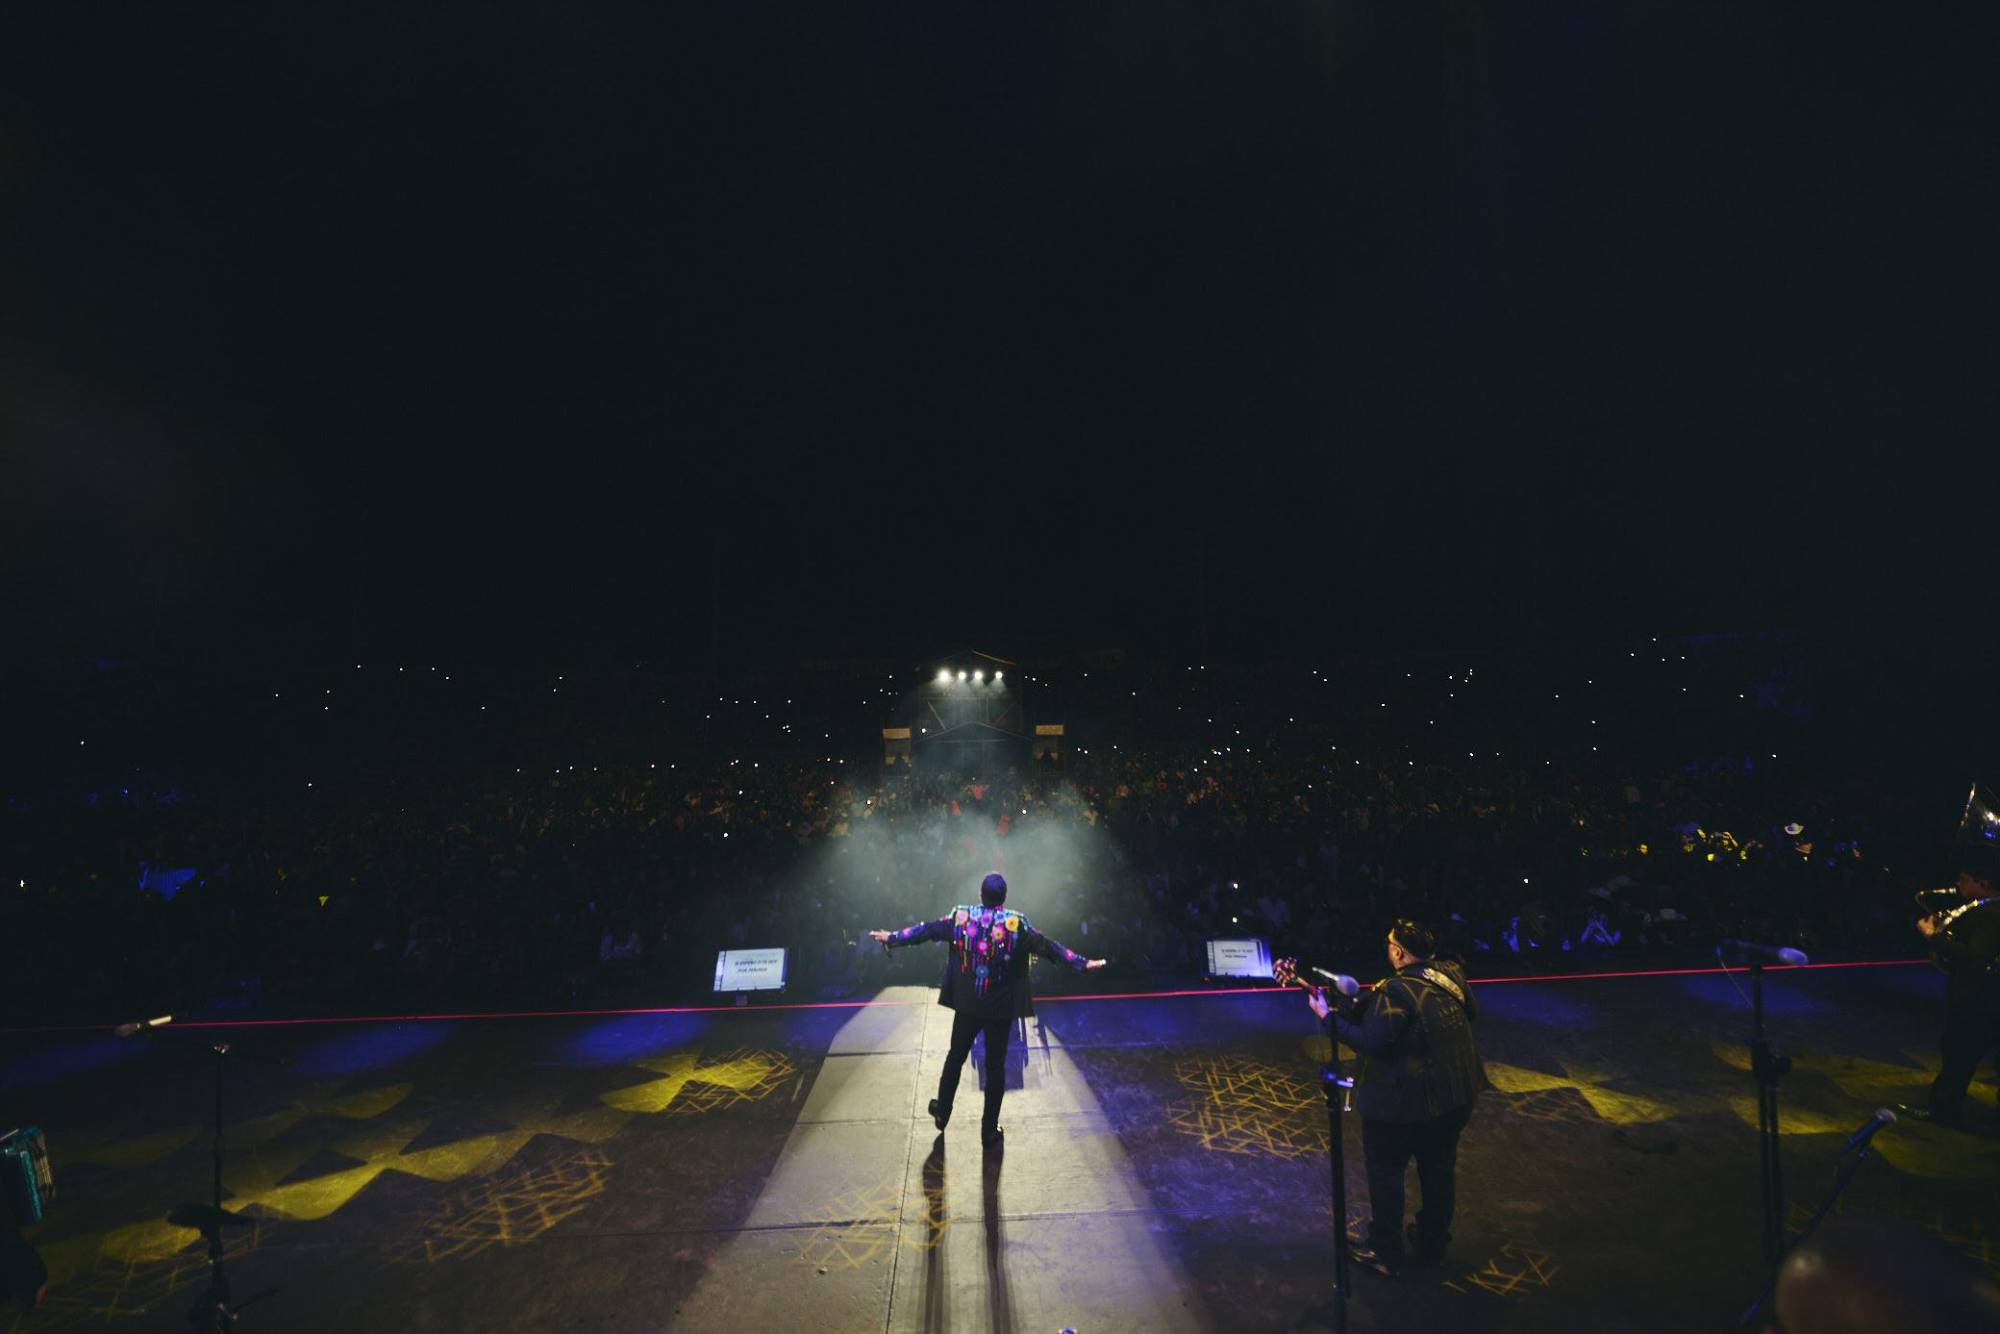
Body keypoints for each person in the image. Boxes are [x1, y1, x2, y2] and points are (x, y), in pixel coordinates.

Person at [871, 872, 1105, 1149]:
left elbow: (927, 930)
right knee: (995, 1068)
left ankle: (942, 1111)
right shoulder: (1015, 924)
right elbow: (1048, 947)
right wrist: (1082, 963)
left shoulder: (961, 917)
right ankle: (988, 1131)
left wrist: (892, 937)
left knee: (955, 1057)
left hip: (969, 1004)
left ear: (980, 895)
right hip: (999, 1008)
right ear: (1004, 898)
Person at [1308, 918, 1484, 1277]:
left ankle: (1385, 1250)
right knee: (1438, 1171)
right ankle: (1433, 1242)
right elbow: (1465, 1013)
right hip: (1456, 1097)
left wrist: (1327, 1017)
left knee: (1386, 1172)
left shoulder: (1396, 990)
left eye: (1389, 943)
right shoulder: (1450, 974)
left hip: (1407, 1106)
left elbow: (1373, 1041)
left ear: (1398, 951)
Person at [1900, 844, 2000, 1127]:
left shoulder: (1990, 913)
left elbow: (1976, 957)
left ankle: (1943, 1111)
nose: (1958, 883)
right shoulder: (1985, 910)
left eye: (1965, 879)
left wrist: (1934, 936)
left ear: (1983, 884)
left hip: (1978, 998)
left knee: (1959, 1053)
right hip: (1983, 996)